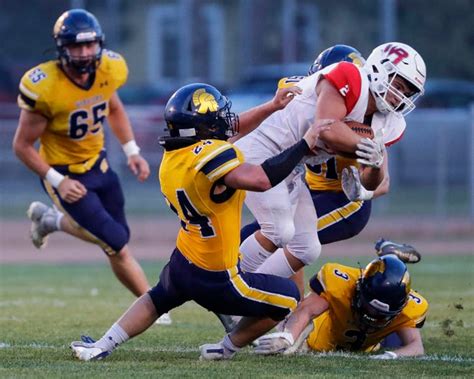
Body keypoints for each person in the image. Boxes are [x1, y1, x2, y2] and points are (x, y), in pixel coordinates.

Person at [70, 82, 329, 361]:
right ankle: (225, 348)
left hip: (184, 259)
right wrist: (304, 144)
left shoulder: (172, 158)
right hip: (218, 277)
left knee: (157, 298)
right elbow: (261, 179)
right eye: (217, 117)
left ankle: (102, 345)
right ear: (204, 128)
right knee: (289, 296)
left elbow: (232, 129)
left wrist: (272, 106)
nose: (226, 121)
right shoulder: (211, 155)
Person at [236, 42, 426, 284]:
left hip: (308, 178)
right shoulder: (346, 78)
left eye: (406, 93)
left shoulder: (386, 120)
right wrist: (365, 146)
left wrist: (374, 165)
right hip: (270, 154)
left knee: (303, 246)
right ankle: (230, 287)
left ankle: (255, 296)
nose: (400, 97)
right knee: (277, 231)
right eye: (397, 86)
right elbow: (326, 128)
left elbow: (377, 181)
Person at [12, 9, 151, 298]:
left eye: (90, 45)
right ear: (62, 48)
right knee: (115, 244)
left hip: (98, 166)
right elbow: (22, 145)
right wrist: (57, 180)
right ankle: (153, 306)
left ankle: (52, 222)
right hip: (64, 174)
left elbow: (114, 107)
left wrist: (132, 151)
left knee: (119, 236)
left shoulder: (110, 69)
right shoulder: (45, 86)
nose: (85, 52)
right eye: (77, 46)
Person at [254, 254, 428, 359]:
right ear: (359, 288)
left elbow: (415, 346)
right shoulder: (340, 284)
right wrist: (288, 337)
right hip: (316, 337)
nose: (372, 316)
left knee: (394, 341)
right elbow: (307, 310)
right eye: (370, 308)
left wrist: (392, 356)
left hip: (371, 342)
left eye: (381, 314)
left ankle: (389, 254)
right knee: (294, 307)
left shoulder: (410, 307)